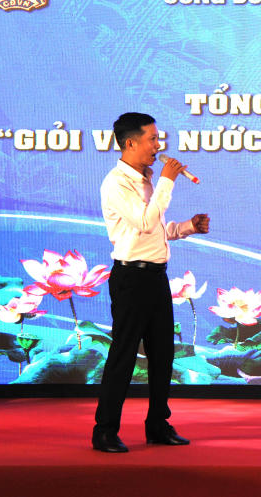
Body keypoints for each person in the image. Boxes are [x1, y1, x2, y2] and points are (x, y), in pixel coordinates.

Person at [93, 112, 210, 453]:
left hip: (156, 277)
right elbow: (145, 222)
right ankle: (104, 431)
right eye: (152, 139)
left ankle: (158, 424)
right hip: (131, 278)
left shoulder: (145, 180)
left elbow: (155, 231)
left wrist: (188, 227)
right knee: (124, 354)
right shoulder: (116, 183)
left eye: (158, 139)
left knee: (163, 354)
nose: (158, 146)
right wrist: (167, 181)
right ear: (130, 143)